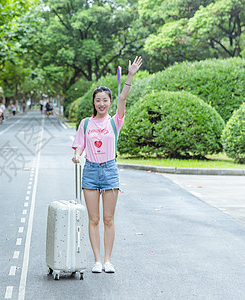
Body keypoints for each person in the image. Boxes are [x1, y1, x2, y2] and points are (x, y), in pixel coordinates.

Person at [71, 56, 143, 274]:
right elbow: (80, 146)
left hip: (110, 170)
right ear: (93, 102)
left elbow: (123, 98)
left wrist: (130, 75)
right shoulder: (85, 123)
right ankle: (97, 260)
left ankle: (108, 260)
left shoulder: (115, 121)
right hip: (90, 171)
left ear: (110, 102)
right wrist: (77, 155)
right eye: (98, 100)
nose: (101, 104)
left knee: (108, 218)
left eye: (105, 100)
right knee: (93, 218)